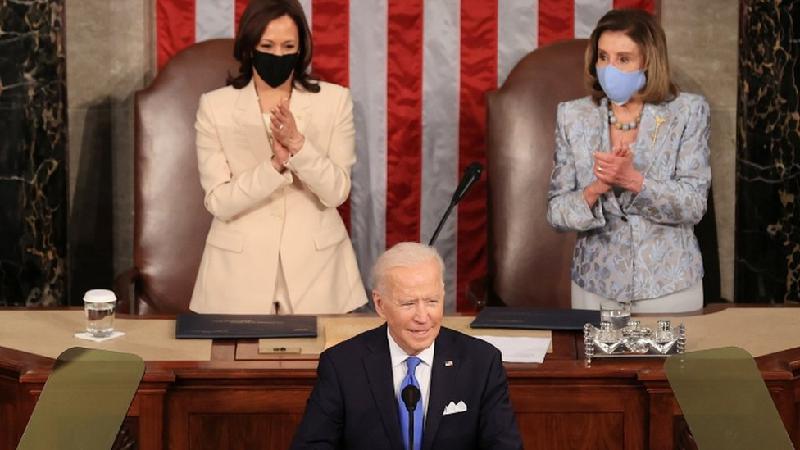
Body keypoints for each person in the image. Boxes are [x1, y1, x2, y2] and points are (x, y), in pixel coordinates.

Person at [190, 0, 367, 315]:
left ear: (301, 49)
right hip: (237, 278)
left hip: (319, 275)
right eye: (268, 45)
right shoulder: (215, 107)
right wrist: (274, 165)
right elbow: (219, 201)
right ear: (249, 47)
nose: (278, 55)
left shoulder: (334, 101)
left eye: (288, 46)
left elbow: (336, 192)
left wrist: (298, 146)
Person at [546, 9, 711, 313]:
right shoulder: (572, 116)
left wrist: (633, 181)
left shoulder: (687, 112)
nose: (610, 69)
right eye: (603, 57)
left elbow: (693, 205)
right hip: (594, 288)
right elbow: (557, 212)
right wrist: (595, 189)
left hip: (668, 286)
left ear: (649, 60)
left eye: (623, 59)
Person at [290, 242, 523, 450]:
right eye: (408, 303)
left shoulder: (481, 362)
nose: (423, 317)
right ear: (380, 305)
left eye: (432, 301)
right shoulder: (342, 365)